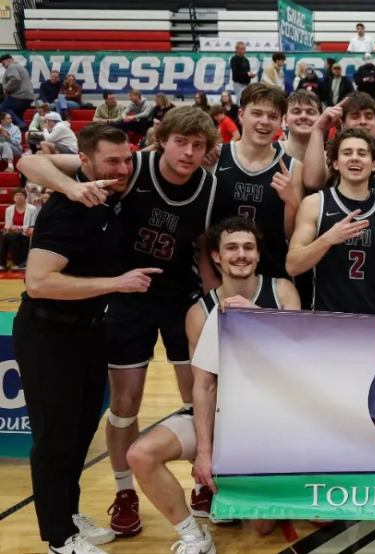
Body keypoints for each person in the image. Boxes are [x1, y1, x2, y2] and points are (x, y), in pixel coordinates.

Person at [18, 108, 222, 538]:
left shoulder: (209, 185)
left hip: (180, 296)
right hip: (127, 293)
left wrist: (214, 301)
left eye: (198, 145)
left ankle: (202, 481)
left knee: (198, 392)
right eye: (180, 141)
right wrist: (71, 188)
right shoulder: (130, 168)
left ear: (206, 150)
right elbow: (31, 161)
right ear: (160, 140)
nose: (188, 152)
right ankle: (124, 490)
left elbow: (204, 250)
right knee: (124, 404)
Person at [126, 216, 299, 554]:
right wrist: (205, 452)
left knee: (262, 527)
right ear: (217, 257)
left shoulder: (281, 291)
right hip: (222, 416)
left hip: (272, 420)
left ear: (258, 254)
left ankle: (253, 481)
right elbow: (203, 387)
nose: (241, 255)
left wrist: (256, 318)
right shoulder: (199, 312)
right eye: (231, 248)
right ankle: (193, 534)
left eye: (248, 248)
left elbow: (296, 360)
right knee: (141, 454)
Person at [13, 123, 143, 554]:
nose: (123, 167)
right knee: (54, 441)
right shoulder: (69, 208)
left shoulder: (106, 188)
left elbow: (31, 161)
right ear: (85, 162)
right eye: (112, 161)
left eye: (127, 158)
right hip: (49, 332)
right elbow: (38, 283)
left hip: (89, 331)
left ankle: (68, 514)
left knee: (80, 432)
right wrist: (115, 284)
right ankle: (58, 538)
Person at [288, 127, 375, 315]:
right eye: (347, 153)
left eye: (362, 153)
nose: (355, 158)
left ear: (374, 164)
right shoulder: (315, 204)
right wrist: (328, 239)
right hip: (326, 321)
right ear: (335, 163)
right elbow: (292, 266)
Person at [209, 83, 304, 286]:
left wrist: (291, 202)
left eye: (272, 116)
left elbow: (292, 235)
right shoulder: (215, 157)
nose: (264, 122)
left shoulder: (293, 167)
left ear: (281, 122)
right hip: (219, 274)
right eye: (257, 113)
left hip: (271, 274)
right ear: (241, 115)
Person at [1, 188, 36, 269]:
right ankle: (4, 264)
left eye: (21, 195)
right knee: (6, 236)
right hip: (13, 233)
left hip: (25, 233)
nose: (19, 197)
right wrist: (9, 227)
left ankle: (17, 263)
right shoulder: (9, 209)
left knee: (9, 236)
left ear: (25, 197)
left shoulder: (32, 209)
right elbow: (8, 224)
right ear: (13, 198)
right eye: (17, 195)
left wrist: (19, 228)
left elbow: (33, 225)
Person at [0, 54, 35, 128]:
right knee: (17, 114)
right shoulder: (20, 67)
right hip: (27, 97)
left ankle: (21, 124)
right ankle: (23, 129)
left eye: (3, 63)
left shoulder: (12, 66)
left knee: (3, 108)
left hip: (19, 96)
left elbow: (15, 79)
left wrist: (6, 88)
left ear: (8, 60)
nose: (3, 66)